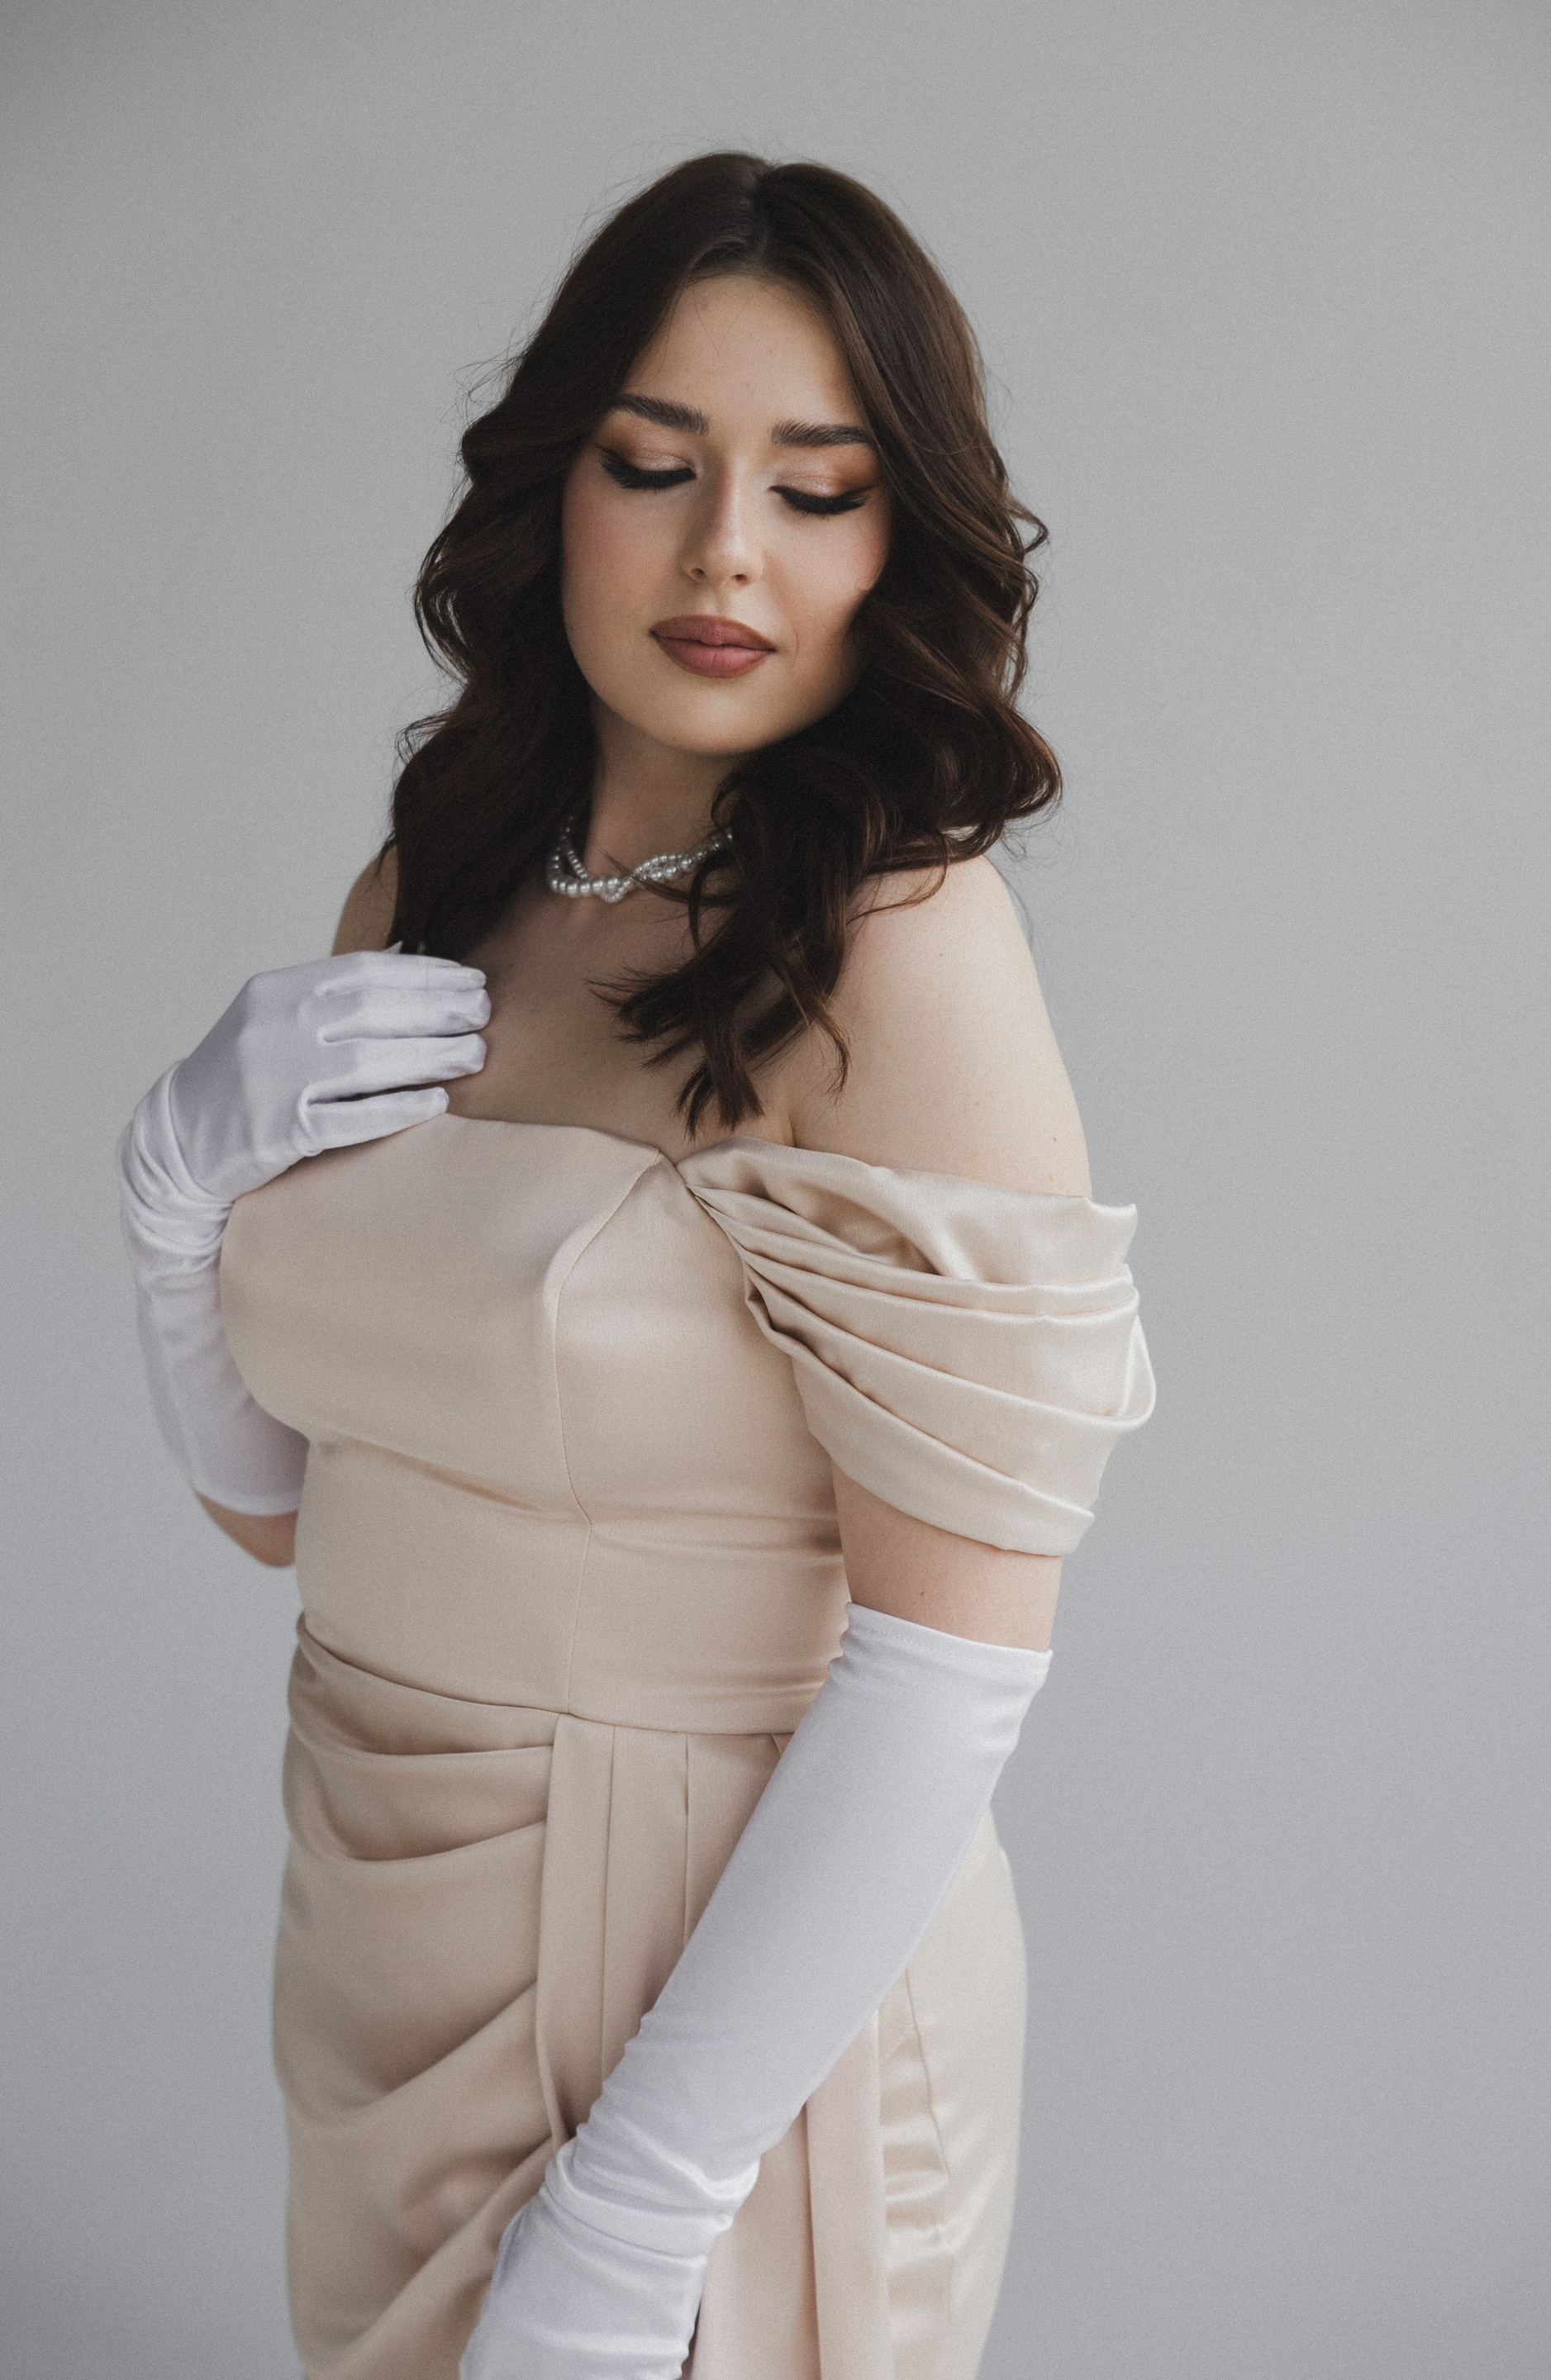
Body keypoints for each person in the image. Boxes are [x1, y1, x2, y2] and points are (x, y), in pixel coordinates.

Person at [117, 153, 1154, 2380]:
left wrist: (641, 2205)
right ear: (554, 483)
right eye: (656, 464)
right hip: (379, 1926)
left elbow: (949, 1665)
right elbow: (286, 1500)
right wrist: (170, 1206)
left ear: (901, 537)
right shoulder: (437, 879)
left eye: (818, 488)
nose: (724, 553)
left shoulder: (903, 944)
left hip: (716, 1987)